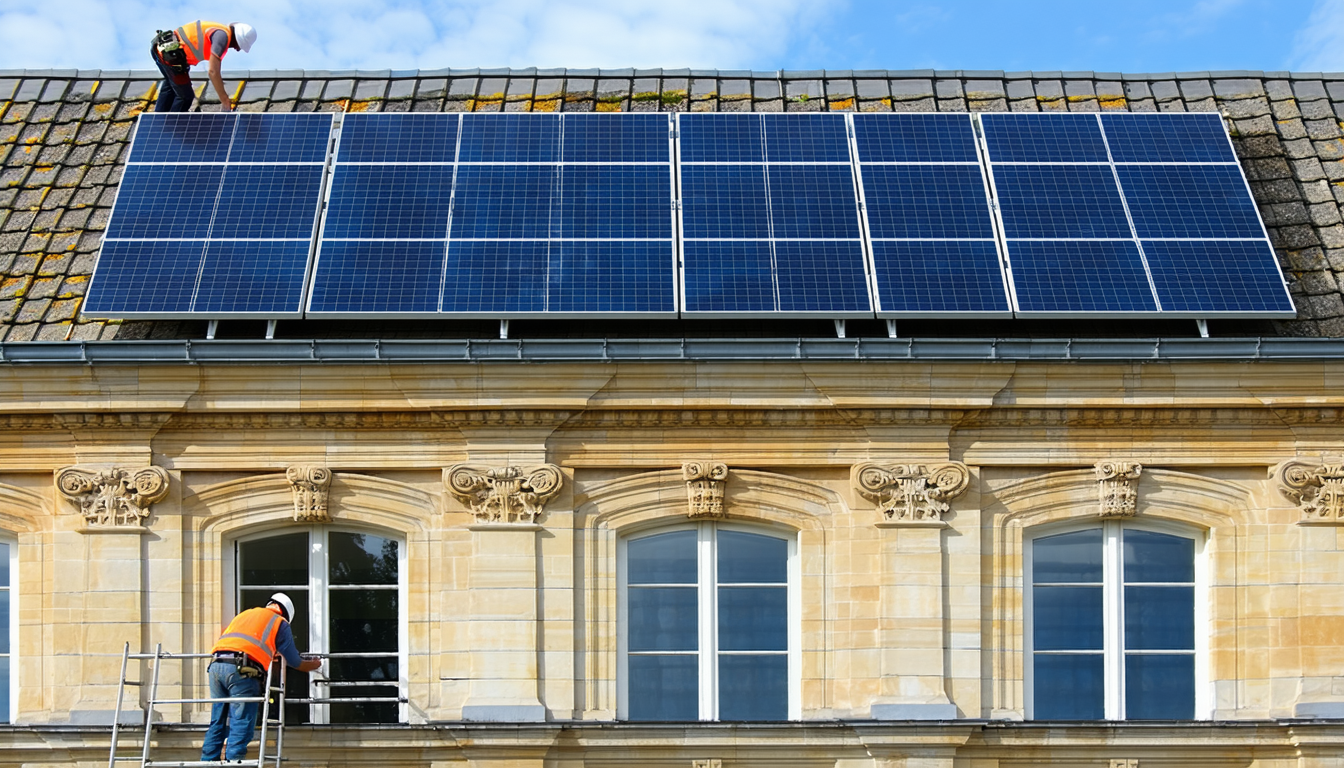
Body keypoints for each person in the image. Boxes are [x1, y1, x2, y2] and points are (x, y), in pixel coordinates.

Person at [201, 593, 321, 763]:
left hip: (216, 666)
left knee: (217, 720)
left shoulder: (245, 615)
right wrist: (315, 664)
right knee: (241, 721)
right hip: (242, 670)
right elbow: (294, 661)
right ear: (285, 613)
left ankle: (207, 761)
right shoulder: (279, 622)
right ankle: (234, 763)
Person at [150, 21, 256, 113]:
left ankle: (157, 122)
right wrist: (224, 100)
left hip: (161, 51)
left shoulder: (220, 30)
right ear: (238, 38)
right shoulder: (222, 37)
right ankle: (170, 127)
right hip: (169, 57)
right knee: (185, 97)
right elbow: (213, 72)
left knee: (171, 86)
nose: (238, 49)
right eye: (240, 46)